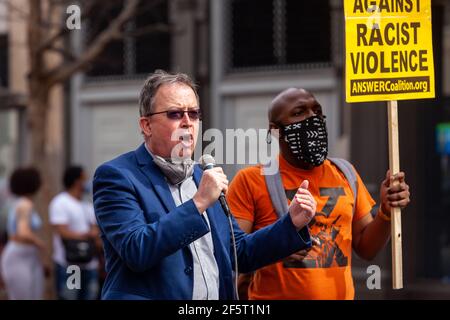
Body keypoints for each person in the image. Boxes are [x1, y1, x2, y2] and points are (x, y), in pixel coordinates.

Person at [92, 70, 316, 300]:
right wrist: (198, 203)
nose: (188, 123)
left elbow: (239, 252)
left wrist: (291, 223)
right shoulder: (117, 176)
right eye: (175, 113)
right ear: (146, 125)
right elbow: (136, 250)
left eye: (194, 113)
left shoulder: (202, 176)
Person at [227, 88, 411, 300]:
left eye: (317, 111)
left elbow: (366, 248)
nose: (312, 118)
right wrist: (276, 246)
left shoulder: (345, 173)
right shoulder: (250, 180)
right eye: (299, 112)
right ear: (276, 130)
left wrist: (386, 212)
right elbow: (235, 254)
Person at [49, 166, 101, 300]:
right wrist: (87, 235)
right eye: (84, 179)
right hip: (71, 266)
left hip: (90, 264)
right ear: (76, 181)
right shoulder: (61, 202)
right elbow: (62, 231)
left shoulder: (87, 205)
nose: (87, 182)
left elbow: (95, 229)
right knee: (70, 296)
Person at [0, 167, 49, 300]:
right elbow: (23, 232)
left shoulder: (18, 203)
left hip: (26, 255)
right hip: (19, 255)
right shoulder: (25, 204)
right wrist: (40, 243)